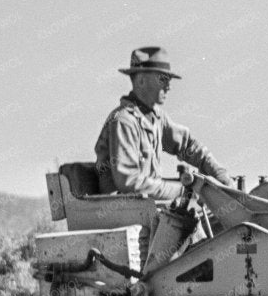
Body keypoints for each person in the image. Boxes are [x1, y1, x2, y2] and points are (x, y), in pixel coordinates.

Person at [93, 46, 233, 201]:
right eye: (163, 79)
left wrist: (221, 177)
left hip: (145, 208)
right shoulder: (123, 121)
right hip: (120, 212)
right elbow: (129, 182)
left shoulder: (156, 118)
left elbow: (188, 146)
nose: (168, 87)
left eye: (169, 80)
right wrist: (183, 192)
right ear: (141, 81)